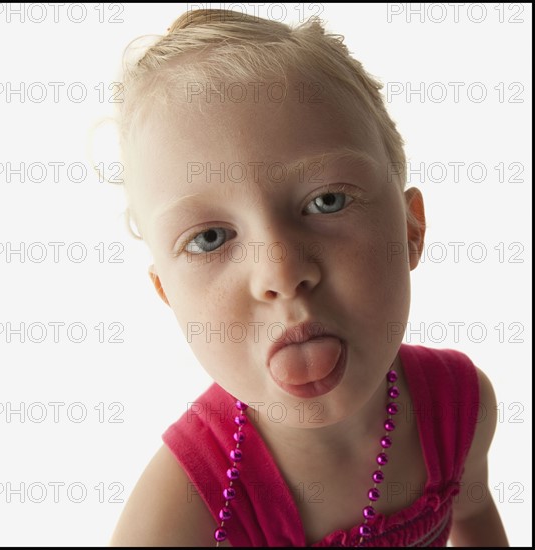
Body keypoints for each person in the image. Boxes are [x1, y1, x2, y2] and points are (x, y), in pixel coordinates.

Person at [108, 8, 508, 547]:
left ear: (410, 229)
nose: (281, 273)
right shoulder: (180, 513)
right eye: (210, 238)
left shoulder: (460, 406)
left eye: (327, 200)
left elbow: (476, 520)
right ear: (169, 297)